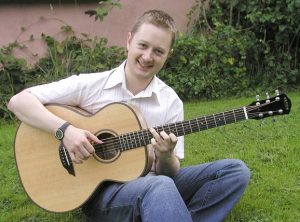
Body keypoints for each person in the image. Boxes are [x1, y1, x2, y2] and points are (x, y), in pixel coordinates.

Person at [7, 9, 250, 222]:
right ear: (129, 40)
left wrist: (165, 156)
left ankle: (164, 212)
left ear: (168, 54)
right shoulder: (92, 85)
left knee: (235, 171)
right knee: (159, 187)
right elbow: (19, 102)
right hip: (99, 192)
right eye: (143, 46)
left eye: (158, 51)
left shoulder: (170, 101)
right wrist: (66, 131)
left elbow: (169, 173)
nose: (147, 57)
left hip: (153, 181)